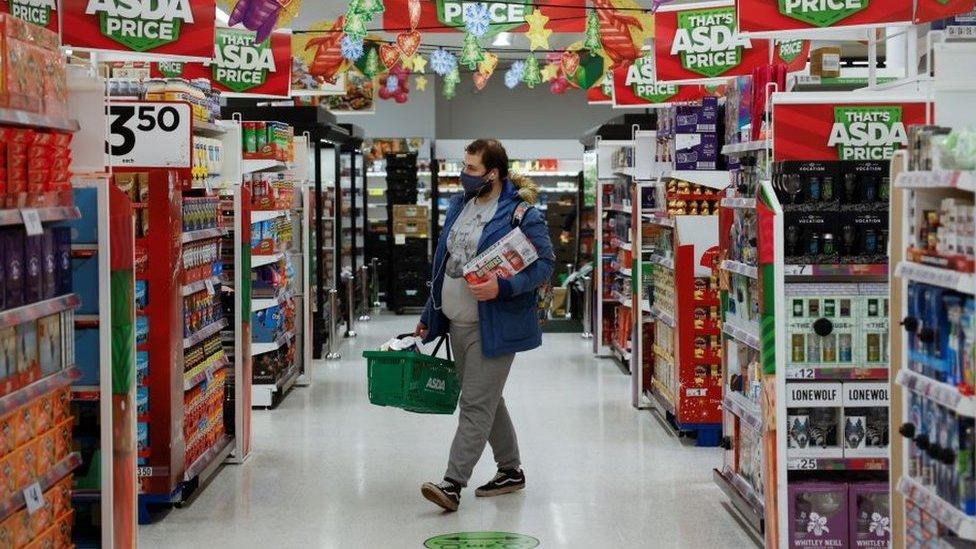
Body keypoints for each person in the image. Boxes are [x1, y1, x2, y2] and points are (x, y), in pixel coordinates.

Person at [415, 139, 555, 512]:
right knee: (488, 399)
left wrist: (503, 286)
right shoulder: (460, 204)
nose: (464, 174)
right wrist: (431, 315)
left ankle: (452, 484)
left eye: (472, 168)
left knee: (475, 403)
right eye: (464, 165)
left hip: (494, 324)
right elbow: (444, 261)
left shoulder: (521, 214)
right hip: (456, 322)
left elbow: (544, 265)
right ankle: (510, 470)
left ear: (493, 173)